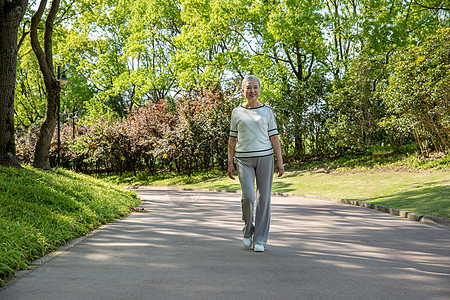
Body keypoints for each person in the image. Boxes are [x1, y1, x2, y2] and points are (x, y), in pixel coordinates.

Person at [227, 75, 284, 252]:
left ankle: (260, 239)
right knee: (249, 197)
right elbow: (232, 140)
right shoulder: (237, 112)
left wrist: (280, 162)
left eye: (255, 87)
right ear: (242, 90)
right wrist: (230, 163)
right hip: (243, 159)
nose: (252, 91)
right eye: (248, 87)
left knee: (263, 198)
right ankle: (247, 231)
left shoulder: (267, 111)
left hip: (265, 158)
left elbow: (274, 137)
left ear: (259, 90)